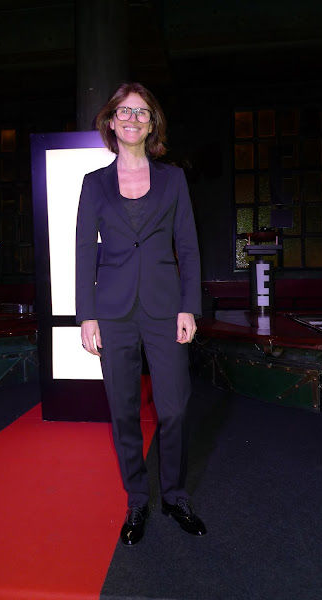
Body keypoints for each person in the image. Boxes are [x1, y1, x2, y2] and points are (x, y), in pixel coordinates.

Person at [76, 82, 206, 546]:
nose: (132, 119)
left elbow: (188, 247)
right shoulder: (94, 183)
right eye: (124, 112)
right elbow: (83, 253)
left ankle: (173, 495)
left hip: (164, 308)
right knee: (124, 411)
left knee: (175, 408)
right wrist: (86, 315)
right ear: (111, 122)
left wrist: (189, 306)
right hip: (112, 311)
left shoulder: (173, 180)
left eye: (142, 112)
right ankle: (136, 499)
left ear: (152, 125)